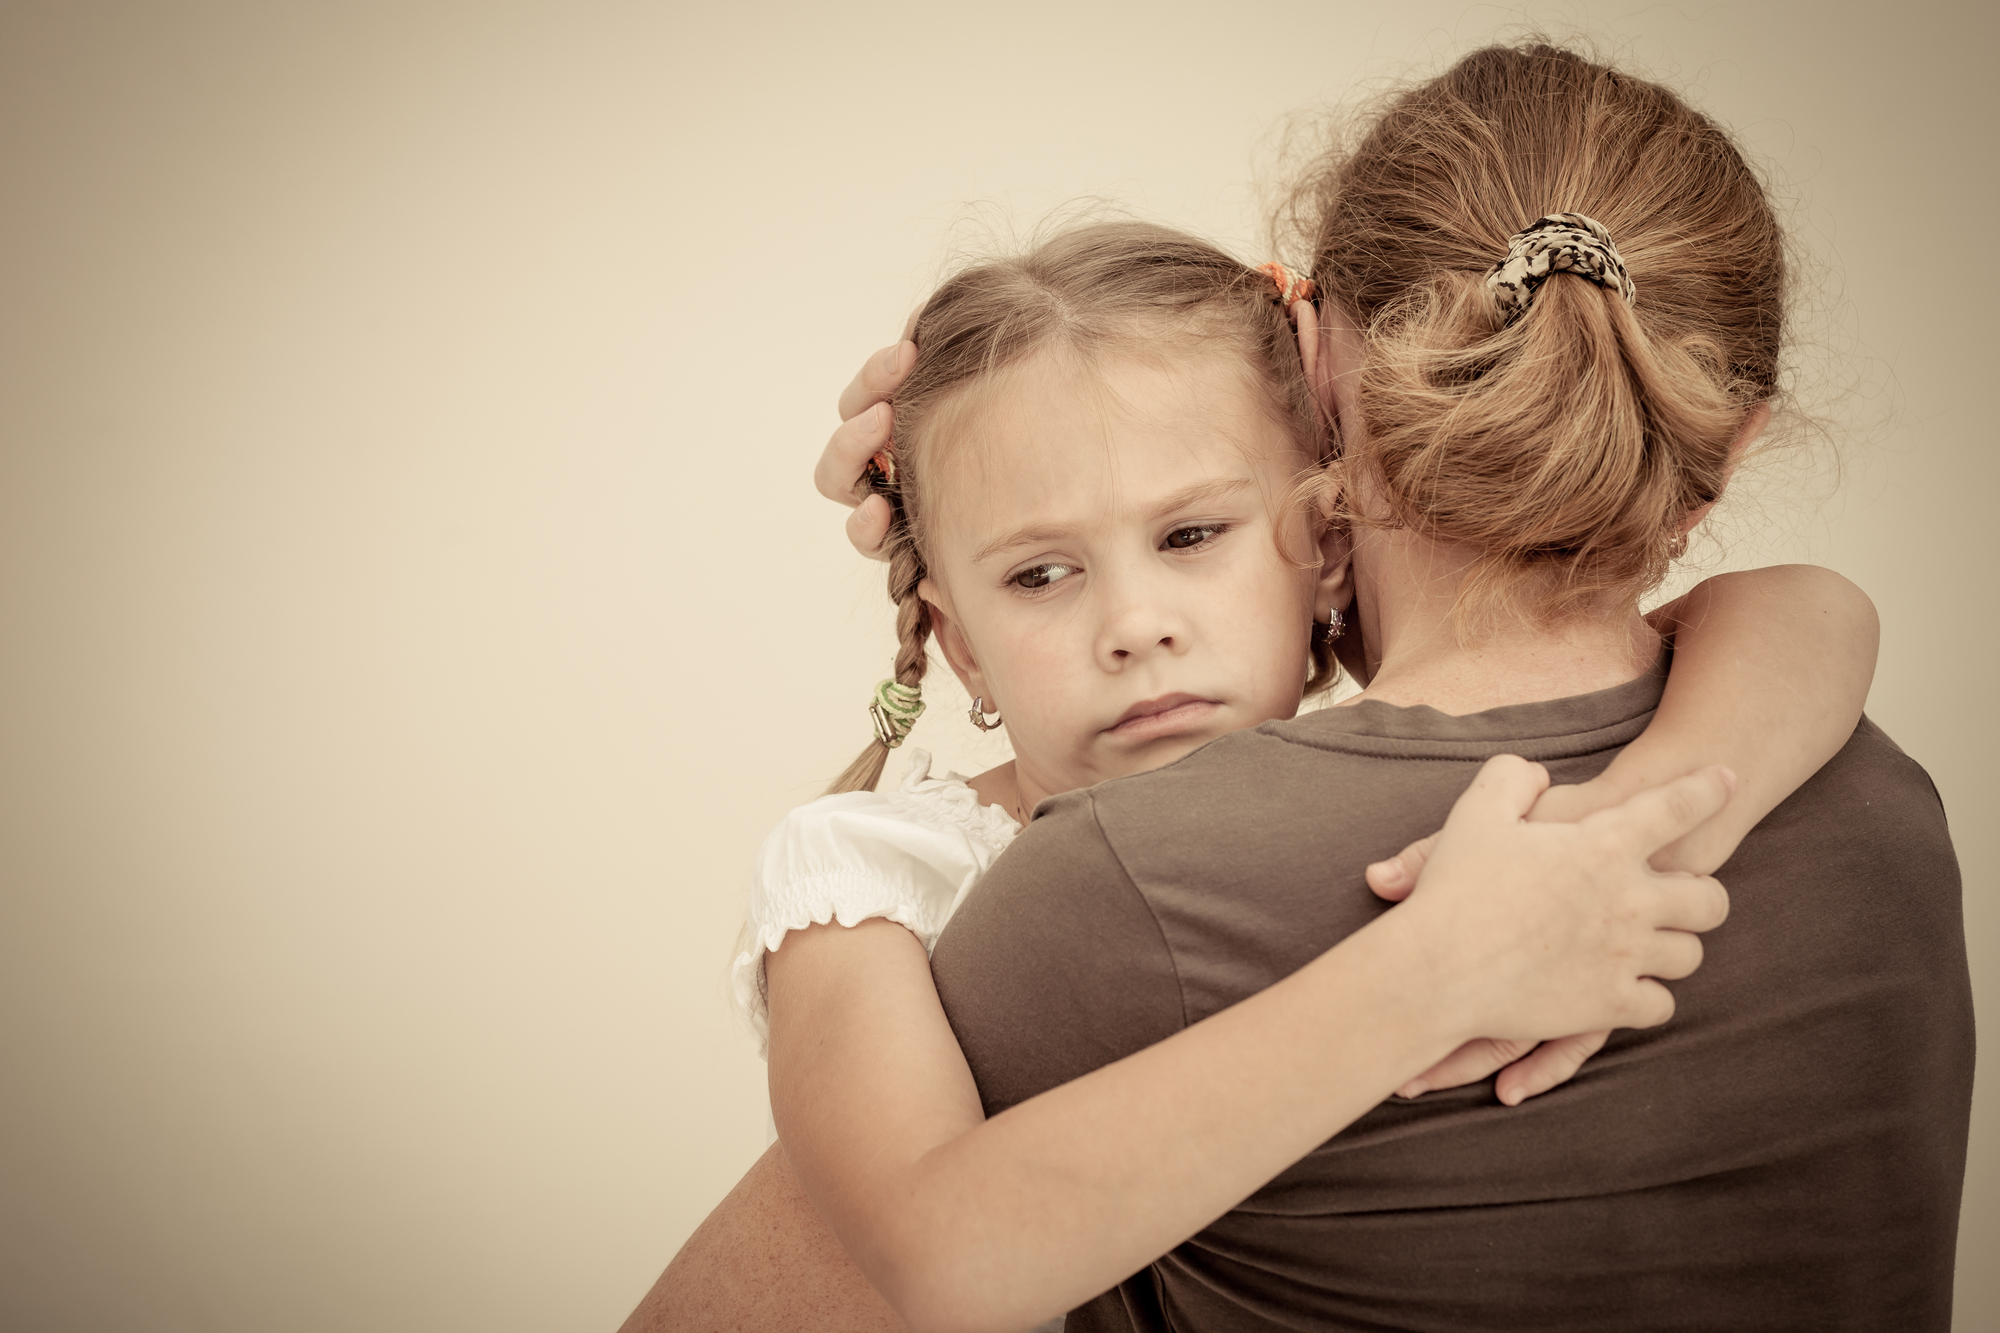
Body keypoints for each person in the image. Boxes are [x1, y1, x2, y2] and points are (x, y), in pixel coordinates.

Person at [628, 211, 1880, 1331]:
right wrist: (1439, 967)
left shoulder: (1423, 770)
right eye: (1038, 574)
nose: (1133, 622)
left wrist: (1632, 819)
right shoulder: (863, 878)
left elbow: (1813, 608)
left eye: (1190, 536)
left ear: (1324, 544)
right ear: (959, 644)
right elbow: (939, 1261)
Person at [911, 43, 1974, 1331]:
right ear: (1728, 440)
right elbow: (1813, 603)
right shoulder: (1883, 812)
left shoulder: (1111, 889)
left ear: (1315, 371)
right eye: (1039, 573)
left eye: (1186, 534)